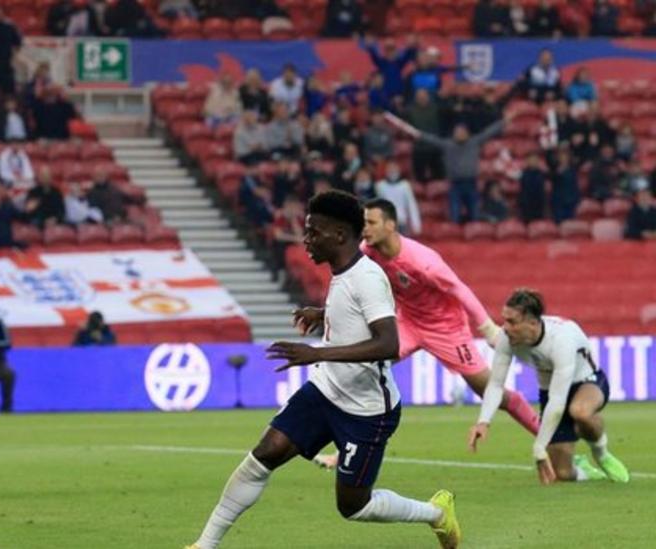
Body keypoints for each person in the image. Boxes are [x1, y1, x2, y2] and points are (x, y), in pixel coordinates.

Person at [184, 190, 461, 549]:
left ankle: (436, 513)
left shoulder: (367, 277)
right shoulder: (343, 272)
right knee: (264, 454)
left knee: (354, 506)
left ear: (340, 235)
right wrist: (324, 315)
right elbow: (356, 314)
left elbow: (387, 344)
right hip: (326, 391)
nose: (306, 240)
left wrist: (317, 353)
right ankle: (204, 545)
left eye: (314, 232)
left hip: (367, 411)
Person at [309, 199, 541, 471]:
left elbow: (458, 289)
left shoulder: (422, 261)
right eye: (363, 223)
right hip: (407, 323)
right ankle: (344, 452)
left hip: (446, 328)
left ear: (390, 225)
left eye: (371, 222)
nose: (365, 228)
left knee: (490, 391)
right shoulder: (367, 252)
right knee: (359, 369)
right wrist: (324, 313)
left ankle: (548, 434)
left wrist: (487, 328)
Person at [468, 288, 630, 484]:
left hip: (587, 381)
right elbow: (495, 384)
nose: (505, 327)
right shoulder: (506, 338)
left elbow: (559, 400)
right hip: (551, 391)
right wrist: (483, 421)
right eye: (505, 320)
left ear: (532, 323)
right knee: (562, 474)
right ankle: (586, 470)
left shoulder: (561, 339)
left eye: (512, 322)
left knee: (580, 411)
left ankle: (601, 453)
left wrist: (539, 447)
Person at [386, 111, 509, 224]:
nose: (459, 134)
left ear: (467, 133)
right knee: (454, 215)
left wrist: (505, 121)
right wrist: (416, 133)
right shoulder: (448, 145)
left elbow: (489, 132)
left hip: (471, 183)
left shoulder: (474, 142)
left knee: (474, 216)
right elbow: (431, 139)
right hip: (455, 184)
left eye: (462, 132)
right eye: (457, 132)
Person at [374, 162, 421, 235]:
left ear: (399, 170)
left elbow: (411, 204)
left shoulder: (405, 185)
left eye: (394, 169)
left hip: (401, 222)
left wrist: (416, 225)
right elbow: (378, 206)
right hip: (387, 223)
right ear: (386, 171)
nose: (392, 171)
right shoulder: (380, 186)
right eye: (390, 169)